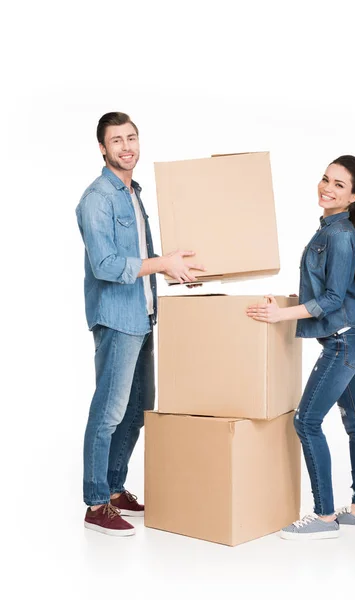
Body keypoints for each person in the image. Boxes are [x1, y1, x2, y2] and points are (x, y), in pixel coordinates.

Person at [76, 112, 205, 536]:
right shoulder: (97, 198)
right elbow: (107, 264)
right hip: (116, 318)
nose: (126, 146)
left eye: (131, 138)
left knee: (141, 408)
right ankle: (96, 503)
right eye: (117, 140)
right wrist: (160, 263)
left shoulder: (134, 192)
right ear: (102, 148)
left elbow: (140, 258)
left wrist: (169, 268)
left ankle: (114, 489)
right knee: (109, 412)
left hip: (145, 313)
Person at [247, 155, 355, 540]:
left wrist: (281, 317)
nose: (327, 188)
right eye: (325, 179)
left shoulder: (339, 235)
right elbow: (328, 292)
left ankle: (323, 519)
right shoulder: (329, 230)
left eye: (339, 185)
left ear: (354, 196)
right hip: (352, 336)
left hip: (343, 341)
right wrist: (292, 301)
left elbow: (334, 299)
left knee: (306, 421)